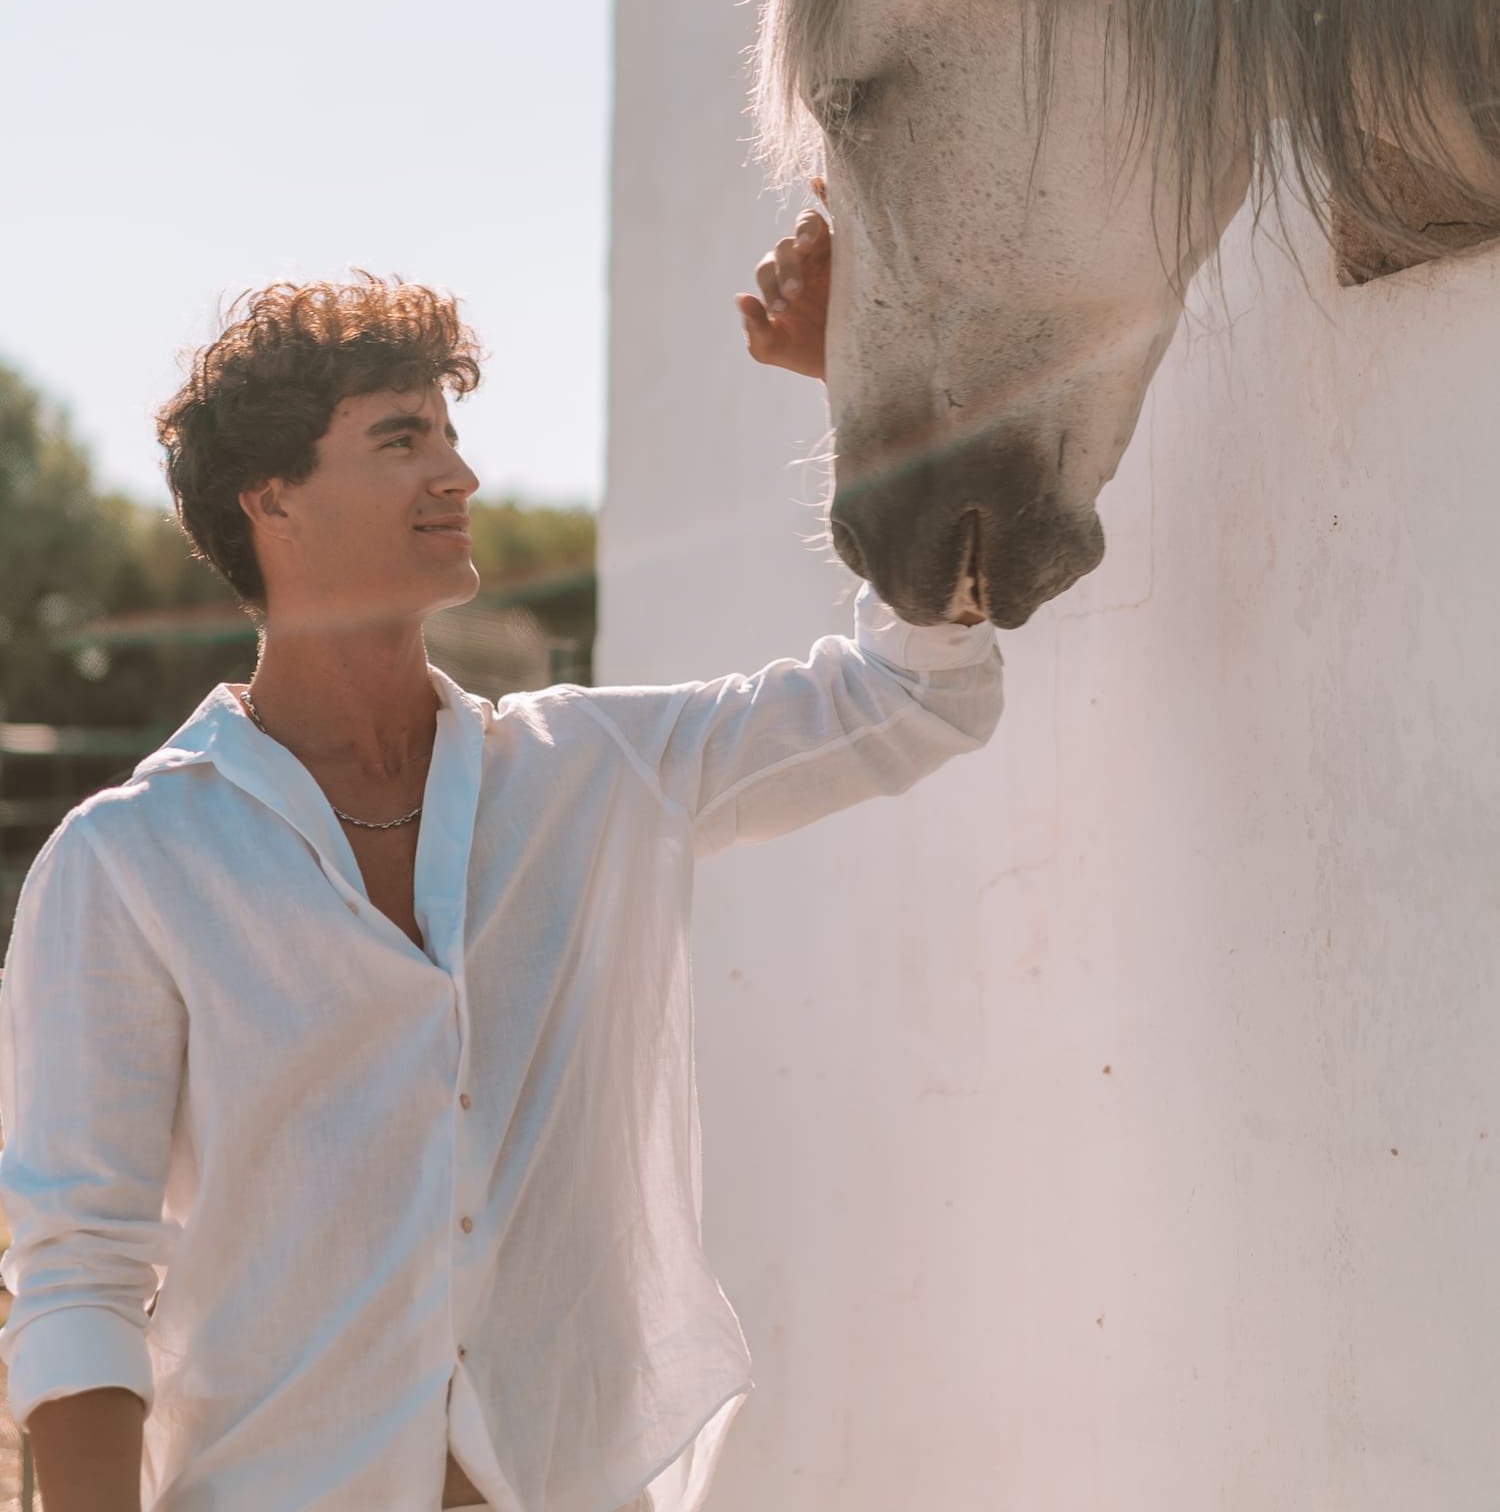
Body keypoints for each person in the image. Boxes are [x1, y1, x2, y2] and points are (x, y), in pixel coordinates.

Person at [0, 210, 1003, 1512]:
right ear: (272, 496)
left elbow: (912, 700)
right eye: (401, 437)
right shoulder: (129, 866)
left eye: (454, 434)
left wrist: (876, 388)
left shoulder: (595, 774)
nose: (459, 474)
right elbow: (80, 1274)